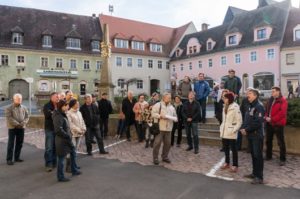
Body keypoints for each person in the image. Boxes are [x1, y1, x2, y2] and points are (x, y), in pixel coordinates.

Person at [240, 89, 265, 184]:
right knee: (253, 155)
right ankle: (255, 173)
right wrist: (243, 128)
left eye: (249, 94)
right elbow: (247, 119)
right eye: (247, 94)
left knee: (258, 156)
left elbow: (257, 122)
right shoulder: (251, 106)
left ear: (255, 95)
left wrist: (246, 130)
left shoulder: (259, 106)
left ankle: (259, 177)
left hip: (257, 136)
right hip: (250, 135)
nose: (247, 95)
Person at [52, 100, 81, 182]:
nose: (68, 107)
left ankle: (74, 170)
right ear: (62, 106)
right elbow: (58, 130)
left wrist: (69, 134)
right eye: (67, 106)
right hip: (62, 141)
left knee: (73, 153)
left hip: (67, 140)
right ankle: (60, 177)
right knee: (61, 159)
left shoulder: (62, 114)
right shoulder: (58, 116)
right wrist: (67, 135)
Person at [152, 92, 177, 165]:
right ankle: (155, 158)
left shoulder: (172, 107)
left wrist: (175, 119)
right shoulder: (158, 105)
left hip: (169, 128)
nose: (170, 99)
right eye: (168, 97)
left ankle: (165, 157)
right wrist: (160, 116)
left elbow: (175, 116)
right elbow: (153, 113)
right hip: (160, 128)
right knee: (157, 143)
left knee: (168, 144)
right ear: (164, 98)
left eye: (170, 97)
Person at [265, 86, 288, 166]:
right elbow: (267, 110)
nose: (272, 93)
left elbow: (282, 113)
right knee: (268, 141)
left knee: (280, 142)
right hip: (269, 123)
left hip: (278, 124)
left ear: (278, 92)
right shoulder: (270, 100)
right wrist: (266, 117)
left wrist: (272, 119)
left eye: (274, 91)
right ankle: (268, 156)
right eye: (272, 92)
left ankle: (282, 159)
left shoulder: (283, 101)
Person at [219, 92, 242, 173]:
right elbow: (224, 120)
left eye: (224, 98)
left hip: (231, 132)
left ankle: (235, 165)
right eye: (223, 98)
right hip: (224, 131)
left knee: (234, 149)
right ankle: (227, 162)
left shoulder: (235, 107)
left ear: (229, 98)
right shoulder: (224, 107)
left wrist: (233, 130)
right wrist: (222, 128)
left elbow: (239, 121)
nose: (223, 99)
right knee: (226, 148)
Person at [5, 93, 29, 165]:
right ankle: (9, 159)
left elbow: (27, 117)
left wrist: (22, 123)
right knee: (11, 144)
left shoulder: (24, 107)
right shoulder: (9, 108)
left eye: (20, 99)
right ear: (14, 99)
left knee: (19, 143)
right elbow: (9, 118)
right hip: (12, 128)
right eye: (18, 99)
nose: (19, 100)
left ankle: (17, 157)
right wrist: (17, 124)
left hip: (21, 128)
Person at [43, 92, 59, 172]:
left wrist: (54, 112)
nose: (58, 98)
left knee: (55, 147)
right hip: (49, 129)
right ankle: (48, 164)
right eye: (56, 97)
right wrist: (55, 112)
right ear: (52, 97)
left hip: (57, 129)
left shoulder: (59, 105)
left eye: (58, 97)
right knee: (49, 147)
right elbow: (48, 114)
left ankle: (54, 162)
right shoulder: (47, 105)